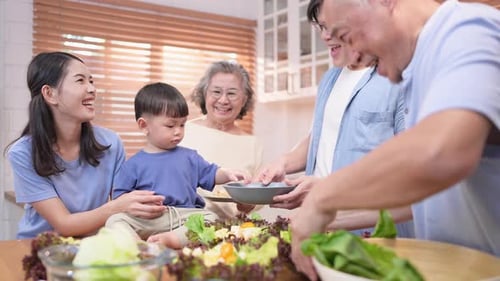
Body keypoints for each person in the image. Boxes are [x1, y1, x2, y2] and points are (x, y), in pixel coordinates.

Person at [289, 0, 500, 279]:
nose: (355, 56)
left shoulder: (467, 29)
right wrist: (336, 214)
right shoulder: (418, 70)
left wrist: (322, 198)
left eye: (347, 36)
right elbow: (429, 197)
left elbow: (440, 154)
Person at [254, 0, 413, 236]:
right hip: (326, 225)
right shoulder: (330, 78)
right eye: (321, 27)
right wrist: (283, 163)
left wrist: (329, 190)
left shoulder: (397, 78)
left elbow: (413, 168)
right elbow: (320, 138)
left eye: (334, 26)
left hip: (373, 230)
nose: (326, 36)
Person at [5, 52, 166, 239]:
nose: (91, 89)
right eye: (80, 81)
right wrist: (117, 206)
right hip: (39, 249)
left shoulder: (110, 143)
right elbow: (64, 224)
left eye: (92, 81)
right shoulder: (23, 153)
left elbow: (124, 205)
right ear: (50, 94)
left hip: (91, 246)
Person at [106, 82, 249, 248]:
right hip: (148, 219)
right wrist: (138, 208)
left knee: (211, 218)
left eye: (182, 124)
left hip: (184, 216)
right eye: (170, 125)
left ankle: (171, 239)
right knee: (114, 220)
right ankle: (138, 245)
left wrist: (227, 174)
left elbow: (212, 173)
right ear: (144, 126)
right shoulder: (132, 166)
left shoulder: (190, 157)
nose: (178, 131)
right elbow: (120, 201)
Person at [182, 61, 263, 218]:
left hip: (230, 232)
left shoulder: (253, 144)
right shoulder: (182, 131)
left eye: (232, 93)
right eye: (216, 92)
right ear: (204, 94)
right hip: (181, 223)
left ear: (244, 99)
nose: (224, 100)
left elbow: (258, 194)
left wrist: (249, 204)